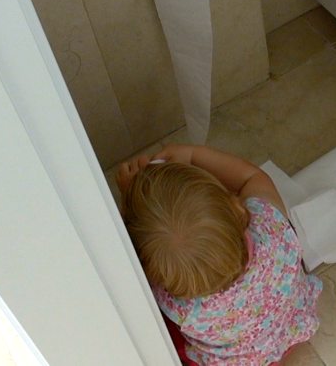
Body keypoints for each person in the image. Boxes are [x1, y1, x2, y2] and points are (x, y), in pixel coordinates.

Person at [116, 144, 321, 365]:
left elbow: (127, 265)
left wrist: (128, 200)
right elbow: (252, 177)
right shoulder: (272, 227)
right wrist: (193, 155)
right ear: (237, 207)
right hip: (289, 329)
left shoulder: (180, 306)